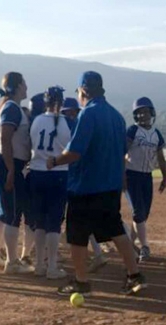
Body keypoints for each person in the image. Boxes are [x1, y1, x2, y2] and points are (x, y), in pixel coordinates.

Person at [47, 71, 146, 296]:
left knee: (78, 236)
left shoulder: (88, 114)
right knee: (115, 229)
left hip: (85, 186)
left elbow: (74, 152)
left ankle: (81, 281)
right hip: (110, 186)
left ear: (83, 90)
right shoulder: (116, 116)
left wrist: (54, 161)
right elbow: (122, 153)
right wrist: (121, 178)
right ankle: (134, 275)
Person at [0, 72, 34, 274]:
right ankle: (8, 261)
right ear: (16, 86)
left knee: (5, 212)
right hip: (8, 162)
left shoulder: (10, 107)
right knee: (10, 213)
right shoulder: (12, 108)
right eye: (23, 82)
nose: (26, 86)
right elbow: (5, 139)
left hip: (7, 162)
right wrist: (11, 169)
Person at [30, 86, 74, 279]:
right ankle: (52, 266)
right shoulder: (69, 123)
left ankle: (39, 264)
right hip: (59, 173)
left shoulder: (37, 120)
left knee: (39, 222)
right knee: (54, 222)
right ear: (62, 102)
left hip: (36, 173)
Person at [61, 97, 110, 272]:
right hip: (79, 176)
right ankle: (98, 253)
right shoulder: (81, 123)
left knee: (75, 220)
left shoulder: (67, 124)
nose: (70, 114)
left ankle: (53, 253)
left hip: (70, 176)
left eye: (71, 111)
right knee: (84, 219)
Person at [125, 97, 166, 262]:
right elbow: (123, 151)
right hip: (132, 175)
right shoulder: (132, 131)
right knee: (138, 212)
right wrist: (122, 174)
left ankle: (129, 244)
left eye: (145, 111)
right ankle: (145, 246)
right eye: (139, 112)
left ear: (152, 113)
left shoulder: (156, 134)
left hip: (147, 177)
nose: (143, 115)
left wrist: (164, 176)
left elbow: (160, 157)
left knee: (143, 214)